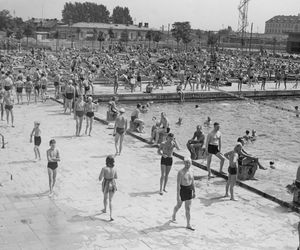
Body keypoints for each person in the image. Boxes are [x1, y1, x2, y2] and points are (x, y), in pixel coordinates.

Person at [171, 157, 196, 231]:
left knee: (188, 208)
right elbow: (178, 185)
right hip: (182, 189)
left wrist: (194, 191)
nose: (188, 164)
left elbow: (193, 182)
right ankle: (174, 214)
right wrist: (178, 195)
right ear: (184, 163)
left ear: (191, 163)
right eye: (186, 163)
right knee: (178, 206)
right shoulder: (180, 172)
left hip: (189, 189)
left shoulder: (192, 171)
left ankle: (188, 224)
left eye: (189, 163)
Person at [98, 155, 117, 221]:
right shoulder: (114, 169)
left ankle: (105, 209)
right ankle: (111, 215)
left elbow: (100, 178)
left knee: (105, 198)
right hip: (113, 183)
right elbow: (116, 177)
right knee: (111, 200)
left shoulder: (104, 168)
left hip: (106, 184)